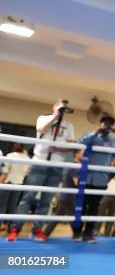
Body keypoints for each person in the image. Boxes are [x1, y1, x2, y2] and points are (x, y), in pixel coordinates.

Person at [8, 99, 75, 242]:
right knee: (28, 197)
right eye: (61, 107)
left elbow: (71, 145)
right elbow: (42, 129)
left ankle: (37, 229)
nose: (64, 110)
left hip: (56, 165)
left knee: (47, 200)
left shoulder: (69, 126)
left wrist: (57, 148)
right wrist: (56, 116)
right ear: (54, 107)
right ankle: (15, 228)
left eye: (65, 108)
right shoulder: (43, 119)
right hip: (40, 163)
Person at [74, 115, 115, 243]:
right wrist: (95, 132)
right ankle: (77, 232)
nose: (107, 126)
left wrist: (114, 172)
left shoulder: (114, 142)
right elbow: (79, 143)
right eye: (105, 123)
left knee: (94, 207)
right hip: (85, 177)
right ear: (101, 124)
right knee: (81, 205)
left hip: (101, 179)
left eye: (110, 124)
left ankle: (88, 234)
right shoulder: (91, 137)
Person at [43, 150, 82, 238]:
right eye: (82, 153)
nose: (84, 155)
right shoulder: (75, 166)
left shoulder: (76, 166)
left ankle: (45, 233)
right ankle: (77, 235)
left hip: (66, 195)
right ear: (76, 154)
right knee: (73, 216)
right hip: (69, 196)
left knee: (58, 216)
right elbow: (76, 182)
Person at [0, 143, 30, 231]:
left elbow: (5, 171)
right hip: (19, 184)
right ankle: (10, 226)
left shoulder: (10, 156)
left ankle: (1, 224)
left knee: (2, 205)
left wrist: (1, 182)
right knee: (13, 206)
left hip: (8, 182)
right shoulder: (27, 158)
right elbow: (28, 172)